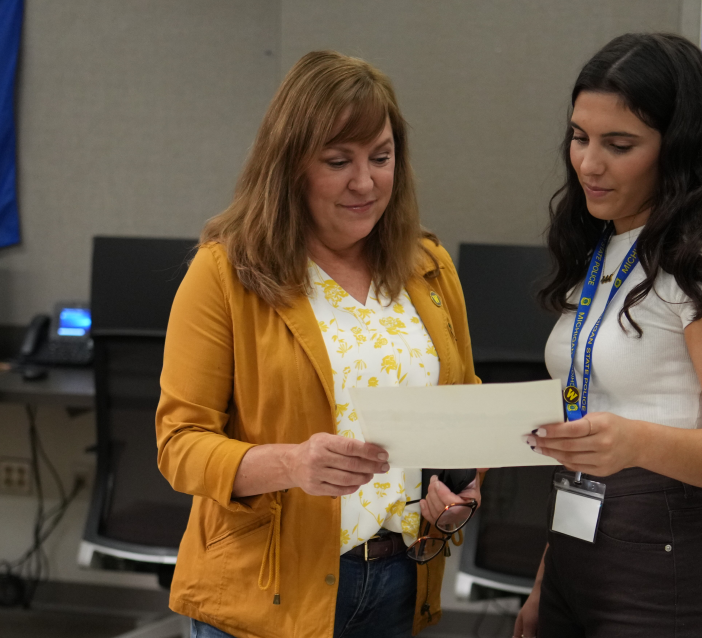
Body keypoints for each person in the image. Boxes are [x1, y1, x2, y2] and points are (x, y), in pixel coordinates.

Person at [156, 51, 482, 638]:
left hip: (399, 580)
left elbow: (463, 410)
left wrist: (463, 488)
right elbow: (179, 445)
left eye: (381, 158)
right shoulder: (225, 273)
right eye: (338, 161)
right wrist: (291, 464)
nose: (366, 181)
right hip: (267, 592)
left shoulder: (428, 266)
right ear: (290, 167)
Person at [513, 34, 702, 637]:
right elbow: (596, 414)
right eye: (580, 136)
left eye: (620, 144)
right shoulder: (604, 243)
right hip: (575, 556)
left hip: (664, 570)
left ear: (678, 149)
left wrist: (636, 443)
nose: (588, 163)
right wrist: (546, 577)